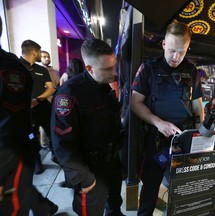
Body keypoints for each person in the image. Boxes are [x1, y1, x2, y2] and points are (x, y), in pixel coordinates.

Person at [130, 22, 204, 215]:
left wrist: (200, 136)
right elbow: (135, 103)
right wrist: (158, 122)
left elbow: (197, 106)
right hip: (155, 141)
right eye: (172, 50)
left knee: (184, 191)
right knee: (150, 191)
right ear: (163, 44)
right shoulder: (149, 68)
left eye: (182, 52)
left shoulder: (191, 70)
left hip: (184, 140)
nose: (176, 57)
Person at [51, 39, 125, 216]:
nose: (114, 73)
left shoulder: (103, 86)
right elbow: (62, 144)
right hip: (90, 169)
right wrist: (83, 177)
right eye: (107, 69)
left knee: (114, 205)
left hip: (111, 162)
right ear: (89, 68)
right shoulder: (69, 94)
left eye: (115, 66)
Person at [0, 16, 58, 216]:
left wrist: (38, 100)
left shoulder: (10, 67)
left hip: (19, 140)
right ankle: (44, 208)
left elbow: (9, 128)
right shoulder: (16, 65)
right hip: (23, 133)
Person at [19, 40, 56, 174]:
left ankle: (55, 155)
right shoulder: (16, 68)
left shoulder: (41, 69)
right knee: (31, 137)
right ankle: (36, 162)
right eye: (40, 52)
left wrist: (37, 100)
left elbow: (51, 88)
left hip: (44, 108)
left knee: (53, 133)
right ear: (34, 52)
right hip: (26, 112)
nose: (41, 55)